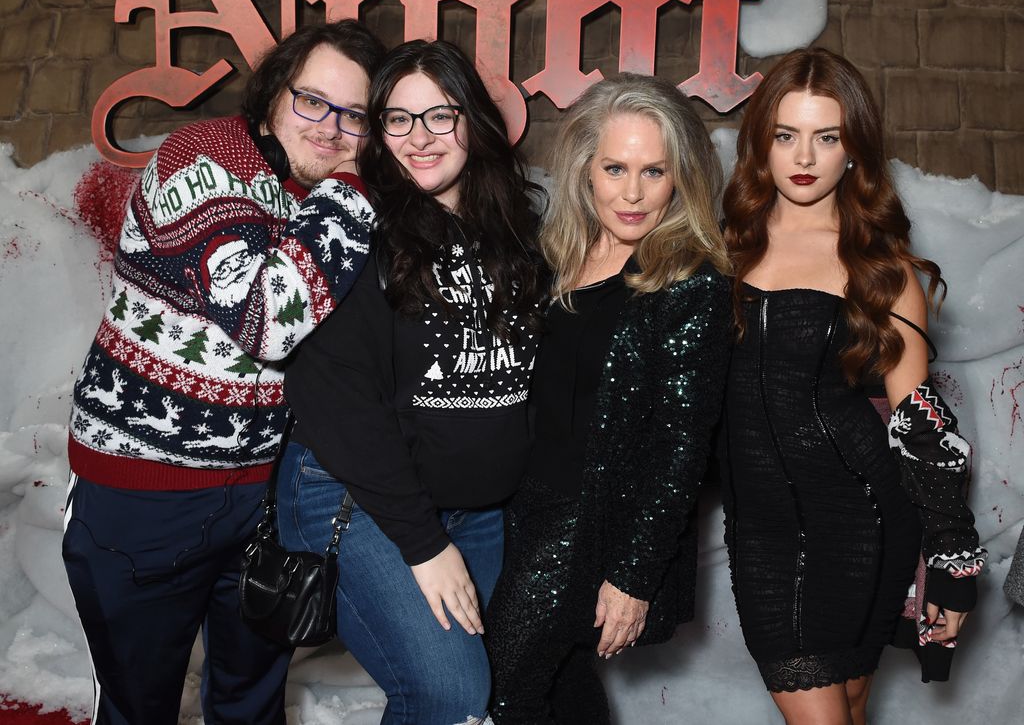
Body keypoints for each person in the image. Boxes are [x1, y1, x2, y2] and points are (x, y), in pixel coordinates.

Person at [62, 19, 386, 725]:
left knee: (251, 703)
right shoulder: (205, 157)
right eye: (313, 101)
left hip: (262, 499)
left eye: (355, 115)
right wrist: (358, 187)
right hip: (148, 493)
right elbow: (266, 322)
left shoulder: (311, 192)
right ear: (273, 93)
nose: (331, 129)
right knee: (139, 707)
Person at [277, 39, 545, 725]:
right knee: (448, 693)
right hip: (361, 498)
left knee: (466, 701)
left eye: (439, 116)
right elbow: (335, 403)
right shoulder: (356, 228)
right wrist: (423, 544)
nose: (419, 139)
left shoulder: (514, 228)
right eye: (398, 119)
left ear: (474, 122)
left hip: (478, 512)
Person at [720, 48, 986, 724]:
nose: (803, 155)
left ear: (854, 150)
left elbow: (922, 424)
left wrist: (953, 566)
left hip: (866, 524)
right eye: (785, 134)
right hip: (764, 536)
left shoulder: (883, 270)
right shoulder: (717, 249)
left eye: (827, 135)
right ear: (761, 144)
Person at [485, 73, 733, 724]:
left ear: (679, 178)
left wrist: (632, 576)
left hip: (593, 526)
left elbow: (679, 453)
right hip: (521, 506)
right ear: (585, 169)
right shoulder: (555, 257)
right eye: (615, 167)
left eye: (654, 171)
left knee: (503, 685)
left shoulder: (689, 283)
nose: (631, 192)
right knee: (560, 687)